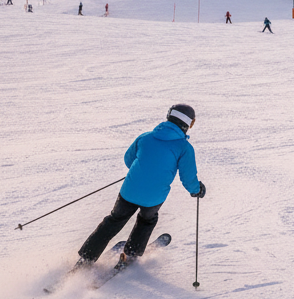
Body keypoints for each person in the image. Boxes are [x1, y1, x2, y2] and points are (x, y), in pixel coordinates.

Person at [76, 105, 205, 267]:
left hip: (129, 191)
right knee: (147, 220)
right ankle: (131, 255)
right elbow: (188, 178)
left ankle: (86, 258)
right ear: (189, 124)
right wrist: (196, 190)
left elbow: (128, 160)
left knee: (113, 221)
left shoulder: (145, 137)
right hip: (154, 197)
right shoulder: (184, 148)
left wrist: (143, 170)